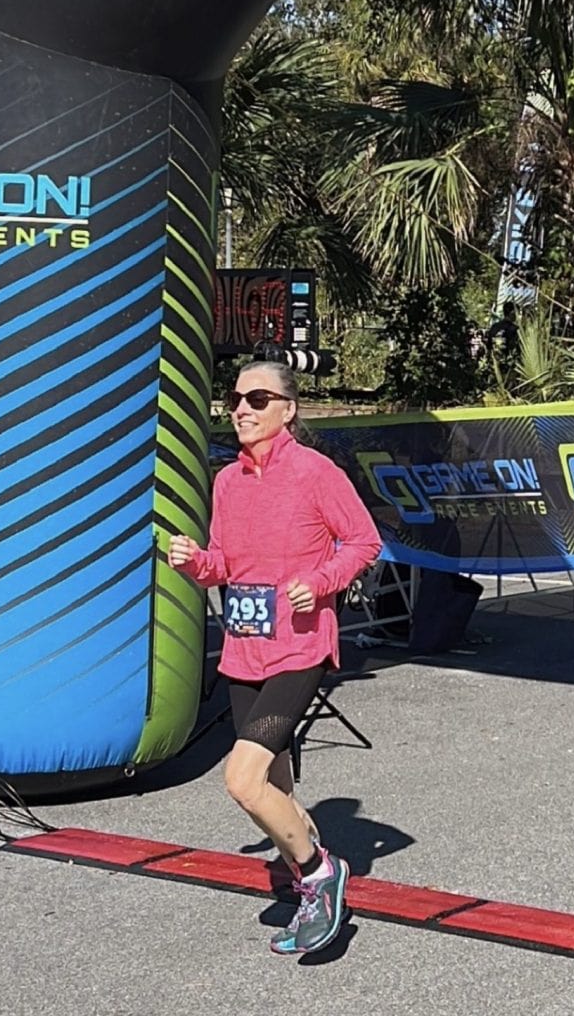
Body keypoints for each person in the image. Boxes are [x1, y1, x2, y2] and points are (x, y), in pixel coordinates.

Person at [168, 360, 382, 955]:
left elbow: (364, 541)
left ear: (288, 409)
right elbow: (226, 566)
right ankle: (303, 858)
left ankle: (319, 874)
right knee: (276, 779)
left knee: (242, 779)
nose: (241, 408)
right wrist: (194, 564)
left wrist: (320, 581)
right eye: (235, 398)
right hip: (243, 651)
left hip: (299, 647)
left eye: (257, 398)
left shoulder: (316, 473)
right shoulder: (228, 482)